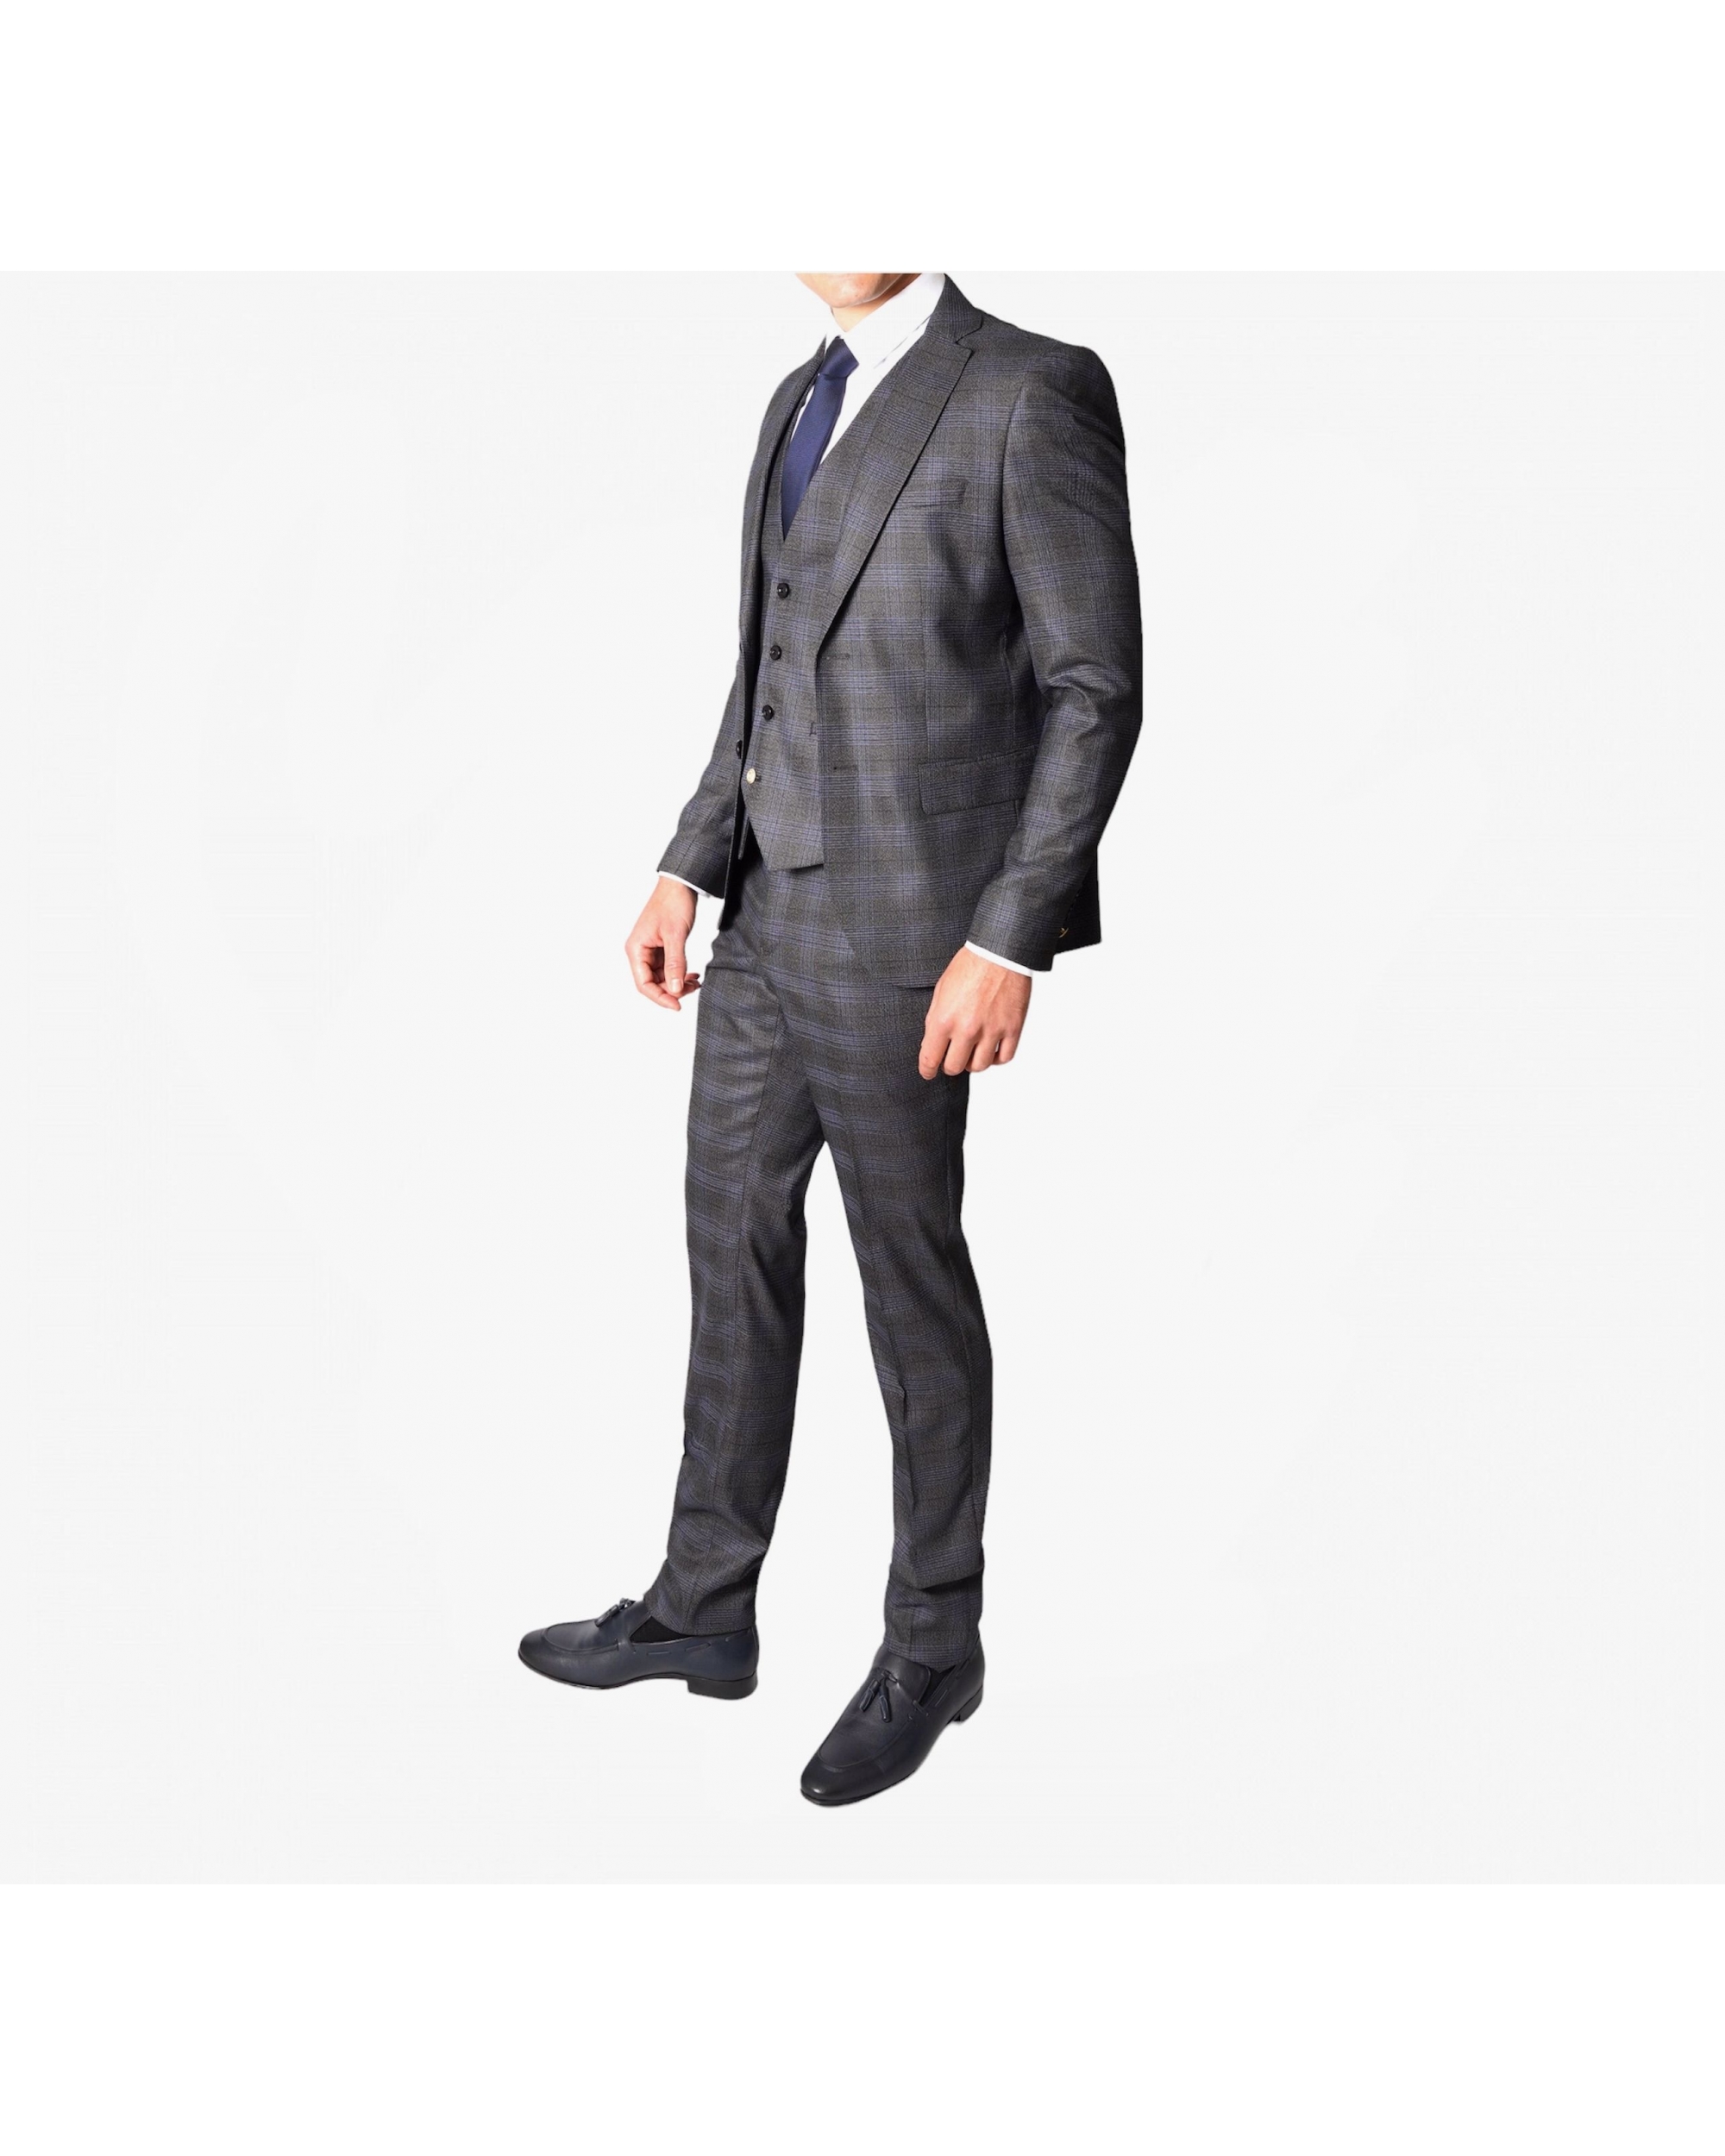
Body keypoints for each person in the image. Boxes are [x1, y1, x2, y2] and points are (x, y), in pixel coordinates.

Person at [520, 272, 1141, 1806]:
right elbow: (767, 676)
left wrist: (1008, 936)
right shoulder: (796, 399)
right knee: (730, 1242)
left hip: (919, 938)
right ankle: (702, 1604)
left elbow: (1094, 688)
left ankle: (935, 1645)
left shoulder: (1031, 387)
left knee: (907, 1283)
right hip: (762, 927)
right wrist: (685, 865)